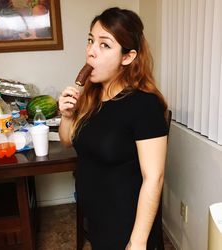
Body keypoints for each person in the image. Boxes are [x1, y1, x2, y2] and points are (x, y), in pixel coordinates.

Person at [59, 7, 168, 250]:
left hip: (126, 223)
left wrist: (137, 242)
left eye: (104, 45)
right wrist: (66, 116)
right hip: (98, 217)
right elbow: (67, 141)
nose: (90, 52)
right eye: (90, 41)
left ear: (127, 57)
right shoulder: (91, 97)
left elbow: (154, 178)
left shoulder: (144, 105)